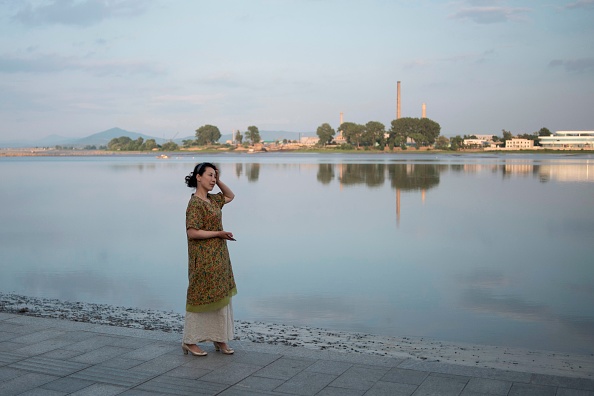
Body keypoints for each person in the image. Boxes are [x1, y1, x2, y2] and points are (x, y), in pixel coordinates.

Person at [182, 162, 237, 356]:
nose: (213, 179)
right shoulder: (195, 204)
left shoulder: (213, 200)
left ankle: (219, 338)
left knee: (220, 297)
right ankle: (190, 340)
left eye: (215, 176)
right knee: (199, 298)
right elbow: (192, 233)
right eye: (210, 175)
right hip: (202, 258)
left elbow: (230, 196)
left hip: (219, 257)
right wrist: (218, 233)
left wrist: (220, 181)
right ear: (198, 177)